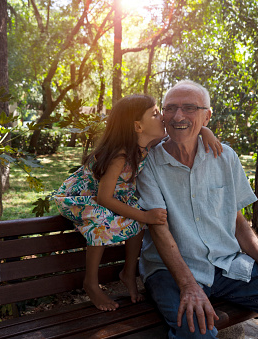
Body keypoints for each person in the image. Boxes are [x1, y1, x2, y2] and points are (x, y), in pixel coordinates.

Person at [136, 80, 258, 338]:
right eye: (170, 108)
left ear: (207, 116)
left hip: (226, 265)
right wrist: (188, 285)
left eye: (189, 108)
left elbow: (238, 223)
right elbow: (159, 230)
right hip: (171, 270)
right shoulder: (149, 163)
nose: (178, 115)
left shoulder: (225, 157)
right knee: (196, 332)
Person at [53, 94, 222, 311]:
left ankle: (128, 273)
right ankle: (91, 284)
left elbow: (181, 134)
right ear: (138, 126)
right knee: (103, 219)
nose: (161, 116)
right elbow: (103, 198)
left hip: (113, 198)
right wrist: (145, 216)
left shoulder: (147, 145)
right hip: (84, 198)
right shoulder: (120, 155)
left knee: (138, 216)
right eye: (154, 113)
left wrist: (205, 131)